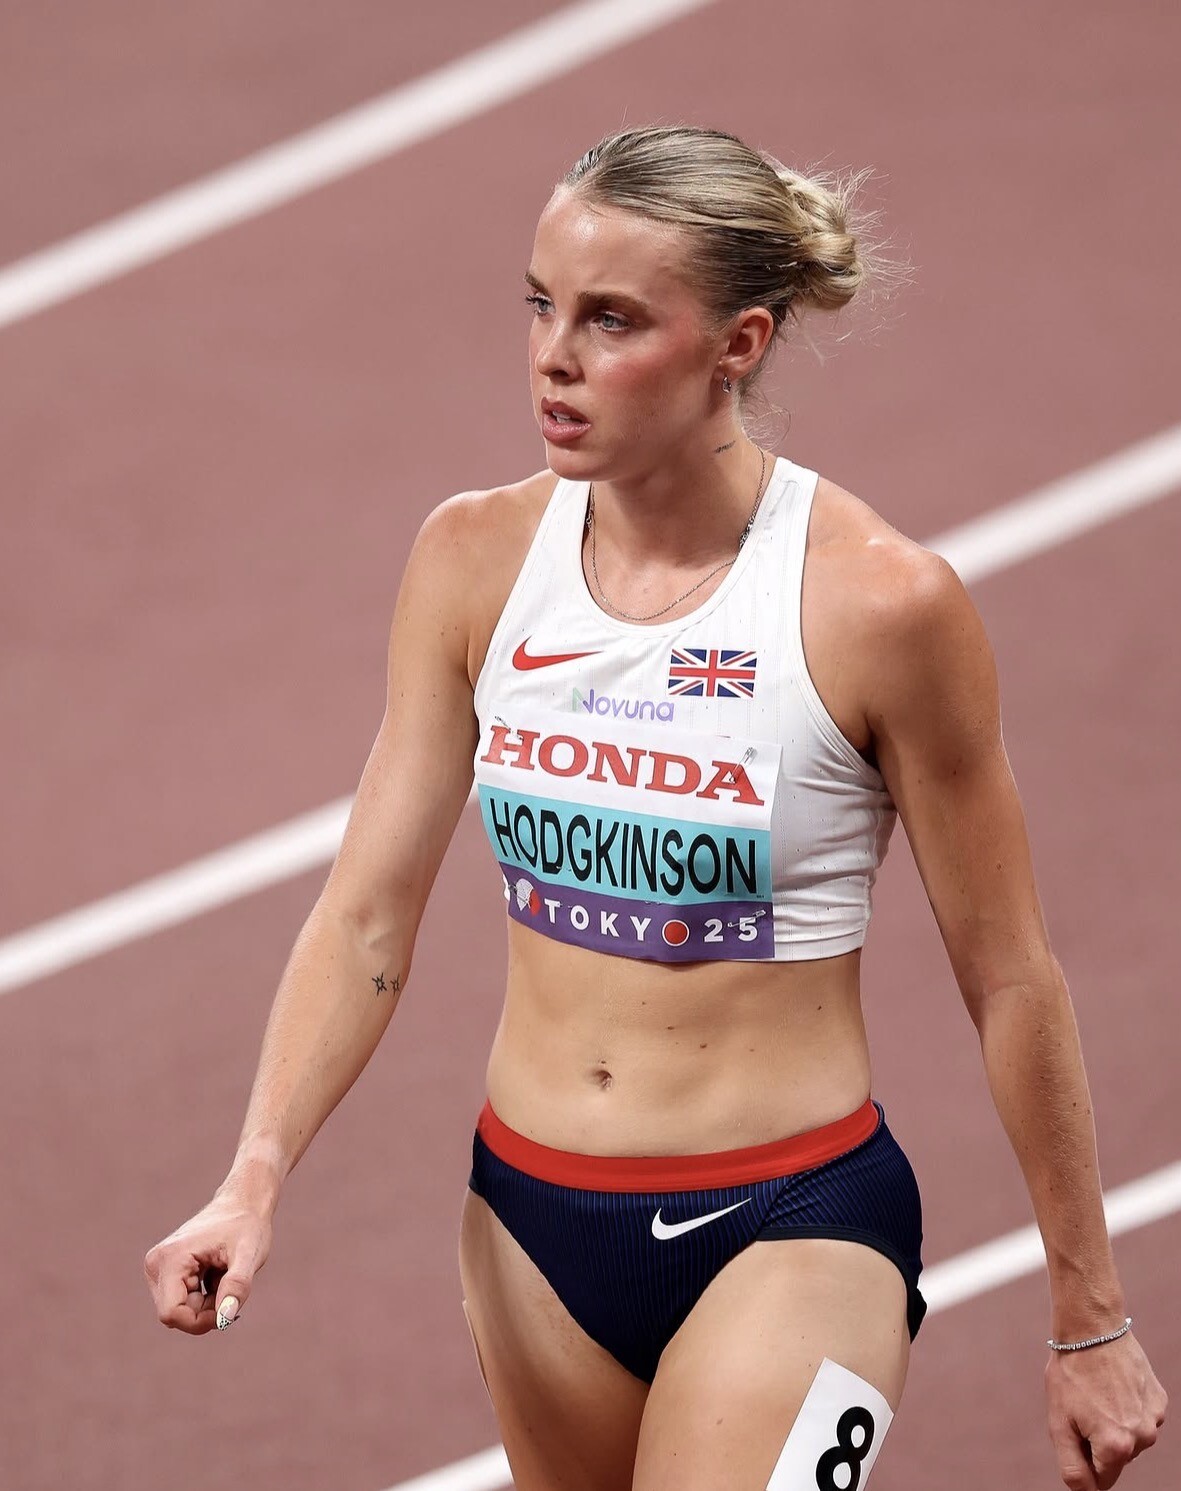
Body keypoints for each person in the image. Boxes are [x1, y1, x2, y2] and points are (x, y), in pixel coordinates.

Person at [144, 125, 1166, 1490]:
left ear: (739, 344)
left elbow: (1010, 977)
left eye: (611, 319)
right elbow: (367, 914)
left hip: (789, 1224)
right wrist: (254, 1172)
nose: (552, 357)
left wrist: (1089, 1314)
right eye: (540, 305)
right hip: (528, 1225)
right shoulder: (472, 560)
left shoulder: (878, 605)